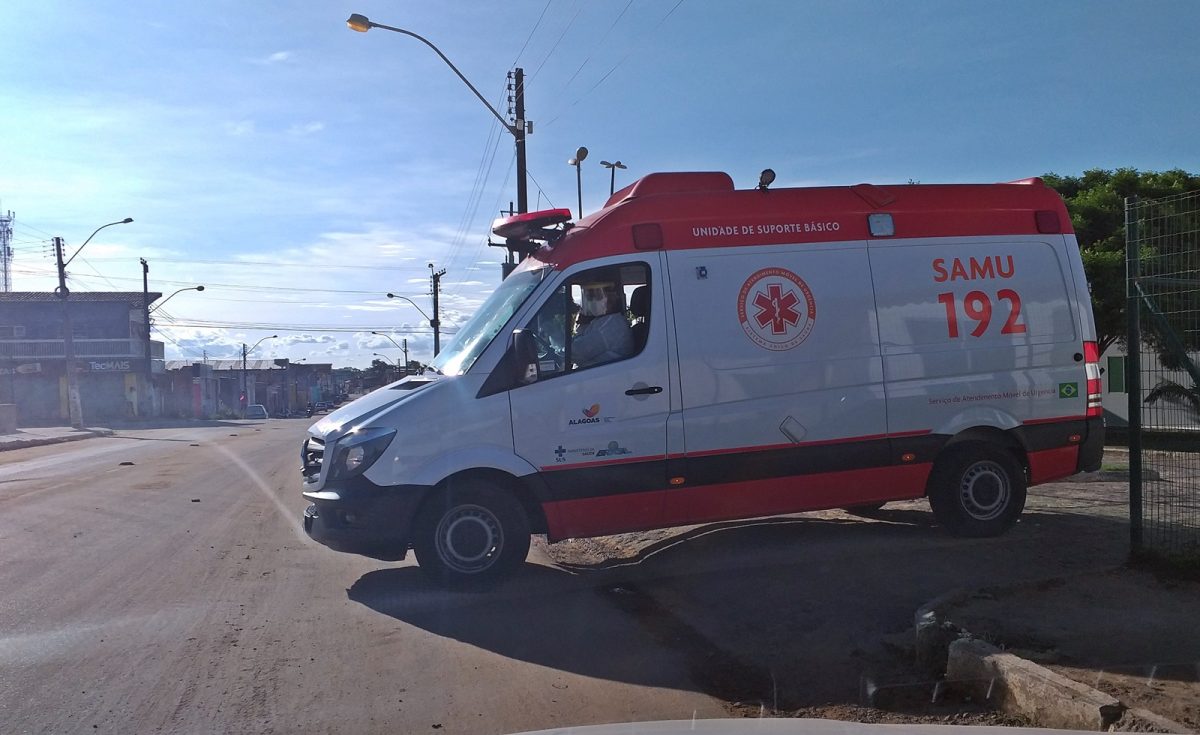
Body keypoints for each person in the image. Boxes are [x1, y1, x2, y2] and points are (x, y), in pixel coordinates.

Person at [572, 281, 634, 368]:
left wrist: (555, 334)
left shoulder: (612, 326)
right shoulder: (601, 321)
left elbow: (575, 352)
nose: (592, 300)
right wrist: (582, 324)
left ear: (611, 297)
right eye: (590, 296)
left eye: (597, 296)